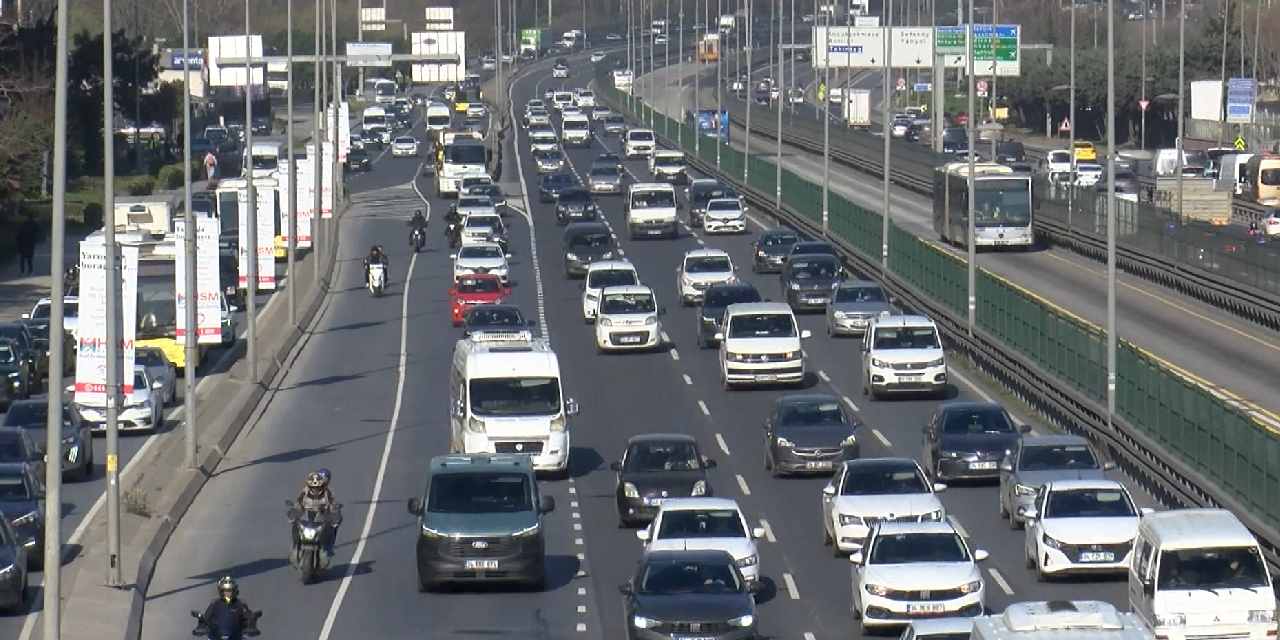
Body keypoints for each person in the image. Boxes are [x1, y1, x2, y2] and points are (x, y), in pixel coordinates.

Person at [295, 469, 341, 557]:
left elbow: (333, 503)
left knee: (333, 526)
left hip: (322, 516)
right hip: (308, 515)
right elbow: (299, 500)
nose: (324, 480)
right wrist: (296, 510)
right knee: (296, 524)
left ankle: (328, 546)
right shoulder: (306, 489)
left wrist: (334, 512)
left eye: (326, 478)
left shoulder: (329, 491)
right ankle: (296, 544)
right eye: (322, 477)